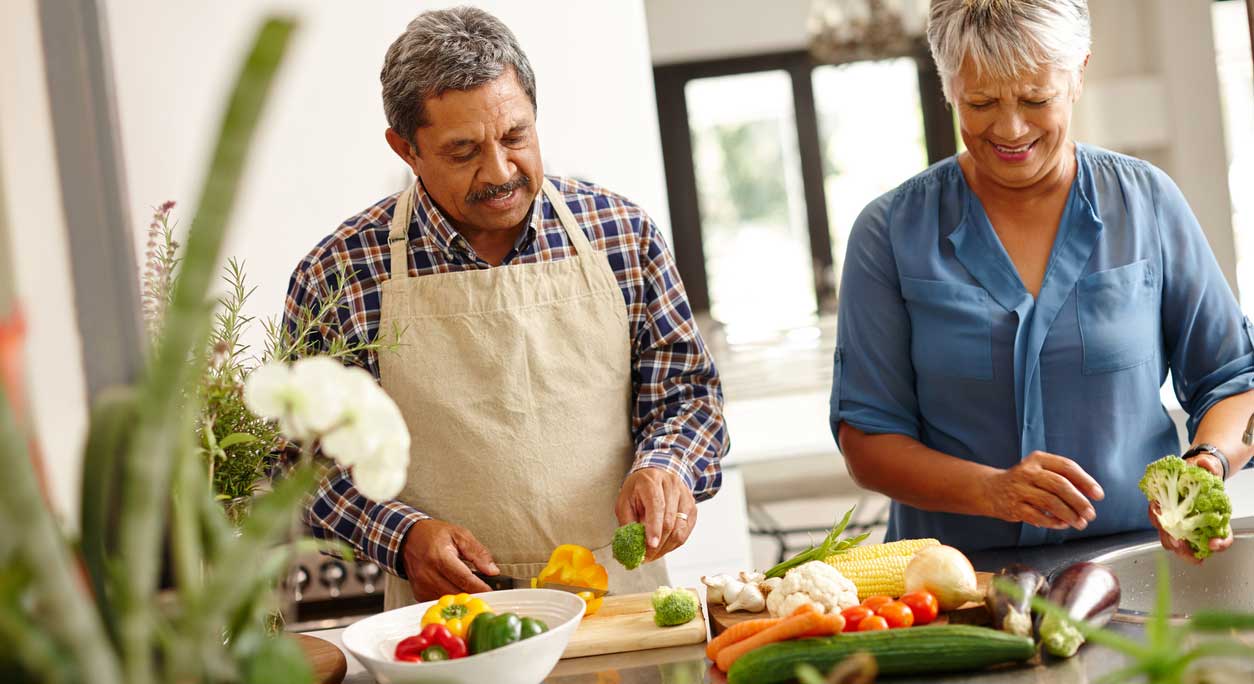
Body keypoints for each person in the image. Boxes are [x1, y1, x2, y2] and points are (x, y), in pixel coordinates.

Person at [286, 7, 727, 607]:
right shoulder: (336, 274)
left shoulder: (622, 234)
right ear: (406, 148)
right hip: (447, 618)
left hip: (617, 598)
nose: (499, 172)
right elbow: (309, 465)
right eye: (462, 151)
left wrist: (667, 466)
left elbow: (688, 397)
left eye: (515, 136)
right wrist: (403, 537)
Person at [831, 0, 1253, 561]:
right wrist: (991, 491)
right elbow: (868, 441)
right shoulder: (888, 232)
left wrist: (1209, 462)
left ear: (1078, 73)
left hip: (1133, 565)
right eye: (981, 102)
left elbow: (1233, 381)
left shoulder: (1146, 202)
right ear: (949, 86)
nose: (1010, 129)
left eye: (1035, 99)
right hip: (954, 585)